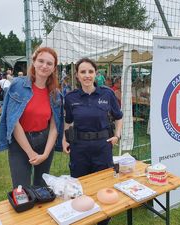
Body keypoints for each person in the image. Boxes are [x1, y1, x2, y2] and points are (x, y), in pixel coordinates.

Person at [62, 58, 122, 225]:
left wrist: (117, 135)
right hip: (79, 148)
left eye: (90, 72)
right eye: (83, 72)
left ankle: (103, 220)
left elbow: (119, 117)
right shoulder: (71, 97)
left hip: (102, 147)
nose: (87, 75)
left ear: (96, 74)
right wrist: (64, 139)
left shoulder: (107, 94)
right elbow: (67, 121)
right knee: (80, 186)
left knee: (103, 185)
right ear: (77, 75)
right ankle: (83, 219)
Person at [0, 47, 63, 188]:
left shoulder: (55, 94)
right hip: (20, 143)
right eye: (41, 61)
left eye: (49, 63)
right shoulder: (17, 85)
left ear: (54, 68)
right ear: (33, 62)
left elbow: (54, 127)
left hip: (45, 142)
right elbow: (13, 122)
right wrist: (30, 152)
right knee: (22, 190)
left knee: (42, 188)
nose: (44, 66)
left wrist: (45, 154)